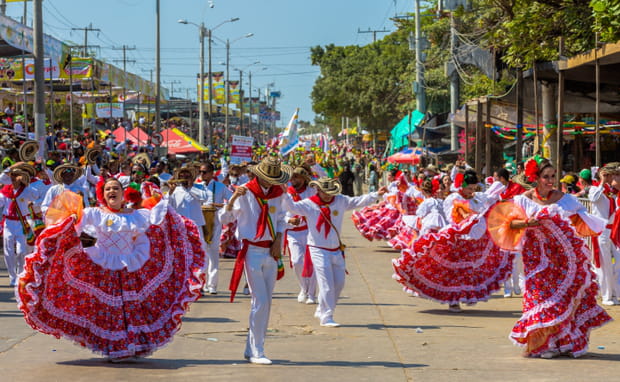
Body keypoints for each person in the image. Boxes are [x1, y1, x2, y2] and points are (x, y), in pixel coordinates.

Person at [17, 177, 205, 361]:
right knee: (109, 312)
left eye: (116, 188)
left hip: (130, 268)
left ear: (124, 194)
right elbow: (81, 231)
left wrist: (154, 198)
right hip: (103, 268)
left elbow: (154, 222)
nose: (112, 191)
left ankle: (133, 344)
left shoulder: (137, 215)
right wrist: (93, 253)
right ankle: (116, 347)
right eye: (108, 189)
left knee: (133, 309)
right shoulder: (93, 213)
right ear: (102, 194)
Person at [506, 157, 611, 358]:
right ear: (535, 178)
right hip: (535, 259)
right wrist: (529, 223)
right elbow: (509, 224)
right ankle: (544, 343)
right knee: (539, 299)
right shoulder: (522, 200)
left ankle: (562, 341)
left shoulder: (565, 199)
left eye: (553, 176)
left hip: (561, 259)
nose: (551, 180)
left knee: (562, 299)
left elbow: (582, 218)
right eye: (546, 177)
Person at [393, 170, 510, 313]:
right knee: (452, 271)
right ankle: (453, 301)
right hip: (454, 239)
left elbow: (486, 202)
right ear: (461, 186)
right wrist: (471, 219)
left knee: (466, 271)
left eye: (474, 188)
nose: (471, 191)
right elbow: (454, 218)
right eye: (469, 188)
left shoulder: (474, 198)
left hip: (469, 241)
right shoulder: (453, 198)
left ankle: (461, 297)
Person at [283, 177, 387, 327]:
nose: (328, 195)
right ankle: (327, 316)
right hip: (317, 249)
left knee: (339, 283)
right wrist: (284, 193)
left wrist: (376, 195)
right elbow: (292, 207)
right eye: (325, 192)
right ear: (318, 190)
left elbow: (357, 201)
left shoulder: (339, 200)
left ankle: (321, 308)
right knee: (326, 284)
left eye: (330, 192)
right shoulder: (309, 204)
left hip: (336, 249)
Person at [219, 154, 291, 365]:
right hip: (251, 250)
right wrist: (232, 199)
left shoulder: (278, 193)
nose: (271, 181)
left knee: (266, 302)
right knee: (259, 301)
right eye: (268, 177)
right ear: (259, 175)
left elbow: (280, 218)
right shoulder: (246, 191)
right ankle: (257, 351)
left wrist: (281, 236)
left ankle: (252, 347)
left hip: (270, 251)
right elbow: (225, 219)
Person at [195, 162, 232, 295]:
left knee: (213, 253)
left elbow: (231, 200)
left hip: (215, 222)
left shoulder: (220, 186)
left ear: (212, 173)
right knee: (201, 253)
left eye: (204, 172)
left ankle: (212, 285)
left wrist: (220, 205)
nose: (202, 174)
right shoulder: (196, 186)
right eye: (200, 172)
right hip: (200, 222)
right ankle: (200, 284)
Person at [283, 165, 317, 304]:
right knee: (296, 261)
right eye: (292, 177)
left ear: (303, 178)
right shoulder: (285, 193)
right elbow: (279, 214)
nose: (293, 179)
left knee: (312, 262)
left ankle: (312, 293)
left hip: (310, 231)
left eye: (296, 177)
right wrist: (289, 220)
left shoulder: (311, 190)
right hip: (293, 233)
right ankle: (303, 288)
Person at [0, 165, 38, 286]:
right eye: (13, 176)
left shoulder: (26, 190)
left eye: (17, 176)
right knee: (8, 251)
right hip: (9, 223)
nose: (14, 178)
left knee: (21, 251)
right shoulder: (5, 191)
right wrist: (10, 169)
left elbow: (35, 196)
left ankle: (20, 274)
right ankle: (12, 276)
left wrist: (27, 184)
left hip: (22, 222)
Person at [588, 164, 620, 305]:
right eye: (607, 175)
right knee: (605, 263)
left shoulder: (611, 191)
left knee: (617, 262)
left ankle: (614, 292)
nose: (609, 177)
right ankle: (607, 296)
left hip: (613, 230)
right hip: (601, 230)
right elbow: (593, 199)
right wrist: (601, 182)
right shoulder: (595, 188)